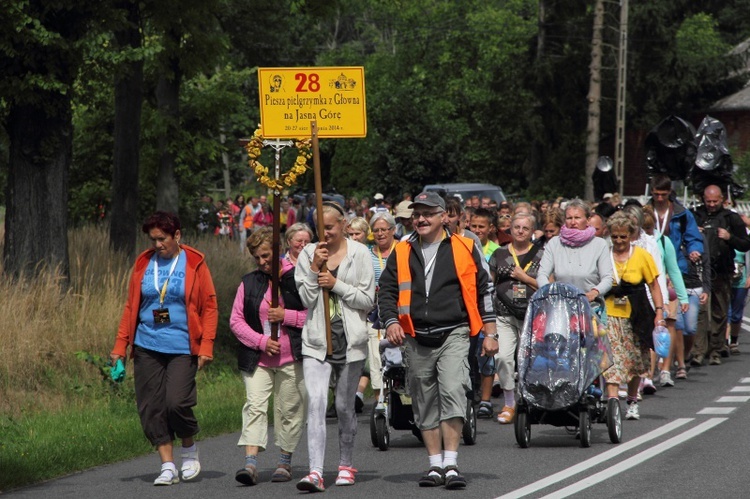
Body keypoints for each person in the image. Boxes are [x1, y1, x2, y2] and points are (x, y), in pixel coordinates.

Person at [378, 191, 497, 490]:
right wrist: (391, 321)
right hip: (416, 335)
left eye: (428, 213)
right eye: (417, 213)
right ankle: (434, 465)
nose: (421, 218)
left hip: (454, 331)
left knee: (454, 389)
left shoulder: (465, 246)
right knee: (423, 399)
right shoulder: (402, 249)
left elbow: (485, 290)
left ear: (444, 217)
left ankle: (452, 463)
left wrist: (491, 333)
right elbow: (387, 290)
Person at [111, 211, 217, 486]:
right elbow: (131, 307)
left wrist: (206, 346)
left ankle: (189, 446)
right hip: (147, 345)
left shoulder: (195, 262)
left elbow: (210, 306)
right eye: (153, 239)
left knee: (177, 402)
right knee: (151, 407)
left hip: (182, 345)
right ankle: (167, 465)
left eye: (163, 239)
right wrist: (120, 346)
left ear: (177, 236)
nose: (157, 244)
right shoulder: (144, 263)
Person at [295, 202, 375, 492]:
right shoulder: (307, 253)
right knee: (316, 403)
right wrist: (315, 267)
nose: (325, 233)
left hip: (350, 340)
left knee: (343, 406)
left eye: (329, 227)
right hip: (316, 340)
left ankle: (345, 463)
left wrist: (336, 284)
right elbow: (304, 298)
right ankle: (315, 470)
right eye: (319, 228)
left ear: (342, 224)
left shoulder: (360, 253)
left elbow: (367, 300)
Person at [230, 227, 308, 485]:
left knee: (289, 410)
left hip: (291, 357)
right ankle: (250, 464)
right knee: (254, 406)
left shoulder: (299, 278)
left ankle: (284, 462)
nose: (262, 262)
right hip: (259, 359)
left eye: (266, 256)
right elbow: (236, 321)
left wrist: (286, 316)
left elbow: (316, 317)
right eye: (257, 258)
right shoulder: (249, 282)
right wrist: (262, 341)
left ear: (277, 251)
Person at [604, 212, 665, 420]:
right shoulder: (604, 255)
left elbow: (654, 286)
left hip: (638, 314)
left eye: (623, 236)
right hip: (610, 314)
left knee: (636, 361)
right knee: (612, 361)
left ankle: (631, 400)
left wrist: (659, 313)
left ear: (631, 235)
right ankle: (612, 406)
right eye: (615, 237)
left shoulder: (642, 256)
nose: (619, 241)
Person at [488, 212, 543, 424]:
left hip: (532, 315)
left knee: (529, 360)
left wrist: (525, 278)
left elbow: (548, 285)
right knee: (502, 357)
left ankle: (528, 399)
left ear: (532, 232)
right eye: (516, 227)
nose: (520, 231)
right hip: (503, 315)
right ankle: (509, 402)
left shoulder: (541, 254)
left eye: (525, 228)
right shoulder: (499, 254)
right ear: (509, 229)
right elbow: (489, 284)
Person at [692, 185, 750, 365]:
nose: (710, 205)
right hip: (700, 271)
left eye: (715, 201)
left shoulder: (731, 218)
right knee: (701, 312)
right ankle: (698, 351)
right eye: (707, 201)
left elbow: (745, 244)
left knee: (720, 311)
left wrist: (729, 237)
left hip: (722, 271)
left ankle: (716, 349)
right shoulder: (695, 215)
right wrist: (696, 233)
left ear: (722, 199)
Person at [536, 199, 613, 304]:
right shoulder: (554, 243)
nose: (573, 222)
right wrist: (549, 291)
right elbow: (542, 274)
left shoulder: (599, 244)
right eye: (569, 218)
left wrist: (594, 292)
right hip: (561, 304)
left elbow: (608, 278)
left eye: (577, 218)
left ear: (587, 219)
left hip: (591, 305)